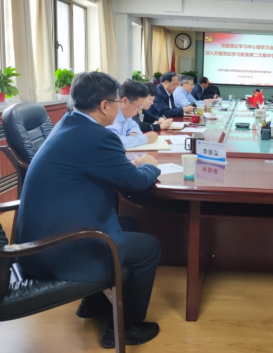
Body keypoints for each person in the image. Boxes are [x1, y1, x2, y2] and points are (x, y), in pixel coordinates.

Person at [16, 72, 163, 348]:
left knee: (130, 224)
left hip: (39, 237)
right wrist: (149, 164)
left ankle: (93, 302)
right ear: (104, 106)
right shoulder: (97, 137)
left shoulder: (69, 123)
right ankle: (124, 329)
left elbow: (93, 168)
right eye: (118, 102)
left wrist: (129, 166)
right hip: (57, 249)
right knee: (150, 248)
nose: (119, 108)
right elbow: (137, 182)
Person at [106, 79, 158, 149]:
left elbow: (134, 126)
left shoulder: (126, 115)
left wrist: (133, 133)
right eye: (139, 106)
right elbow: (114, 141)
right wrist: (144, 138)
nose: (139, 111)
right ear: (125, 101)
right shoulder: (111, 116)